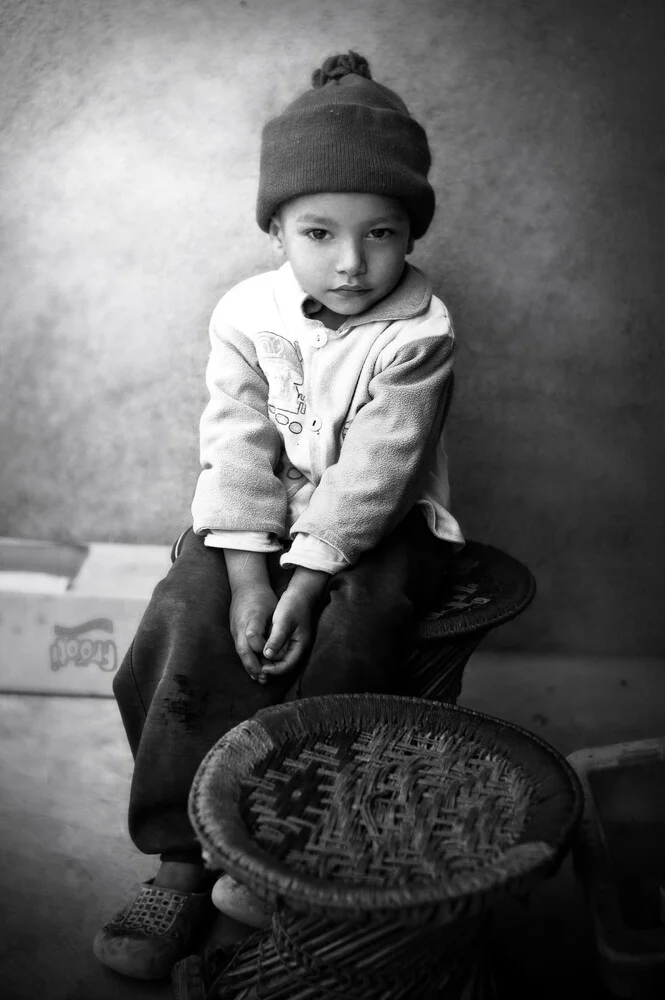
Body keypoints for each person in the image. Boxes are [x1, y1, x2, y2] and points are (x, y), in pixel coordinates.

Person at [93, 50, 465, 981]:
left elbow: (377, 474)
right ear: (275, 230)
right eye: (318, 231)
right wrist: (248, 575)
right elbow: (236, 445)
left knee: (354, 635)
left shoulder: (422, 331)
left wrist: (304, 582)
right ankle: (183, 857)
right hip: (253, 520)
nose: (351, 261)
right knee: (184, 618)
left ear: (410, 231)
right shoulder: (245, 314)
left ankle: (280, 857)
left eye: (381, 232)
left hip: (377, 529)